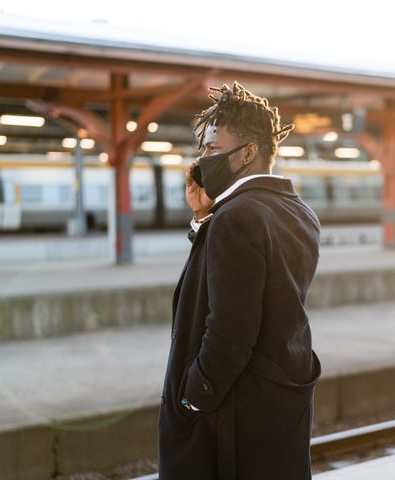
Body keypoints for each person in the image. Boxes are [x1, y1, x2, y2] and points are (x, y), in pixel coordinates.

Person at [158, 81, 322, 480]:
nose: (202, 159)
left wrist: (195, 397)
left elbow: (231, 326)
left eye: (212, 149)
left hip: (230, 416)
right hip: (277, 401)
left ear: (248, 152)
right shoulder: (296, 211)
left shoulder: (237, 217)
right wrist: (203, 219)